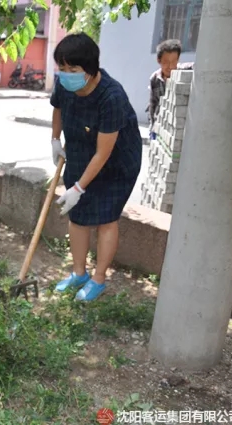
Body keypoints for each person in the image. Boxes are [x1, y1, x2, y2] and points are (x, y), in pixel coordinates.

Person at [49, 32, 142, 302]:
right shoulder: (64, 84)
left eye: (73, 70)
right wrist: (55, 139)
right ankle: (79, 273)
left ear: (90, 69)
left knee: (105, 218)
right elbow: (57, 108)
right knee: (77, 215)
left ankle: (99, 278)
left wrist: (78, 187)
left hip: (116, 162)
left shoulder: (111, 97)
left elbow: (103, 153)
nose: (67, 75)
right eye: (62, 68)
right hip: (80, 148)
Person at [147, 39, 194, 139]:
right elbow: (152, 106)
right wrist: (152, 127)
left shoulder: (184, 71)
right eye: (166, 62)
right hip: (162, 124)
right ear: (159, 60)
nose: (170, 66)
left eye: (174, 62)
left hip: (180, 125)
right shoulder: (154, 79)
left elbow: (198, 66)